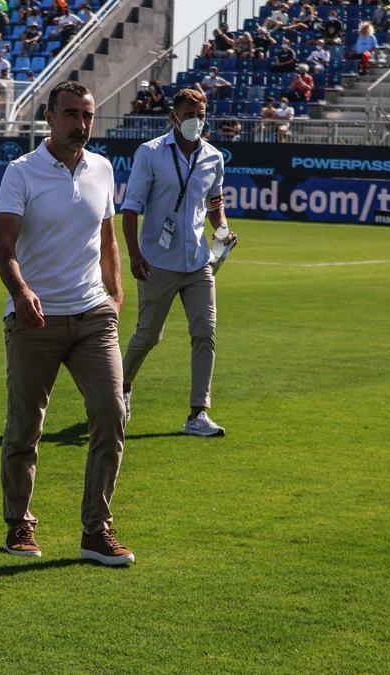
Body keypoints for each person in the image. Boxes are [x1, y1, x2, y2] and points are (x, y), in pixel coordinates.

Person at [0, 81, 133, 566]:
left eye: (88, 115)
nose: (81, 124)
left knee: (112, 415)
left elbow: (108, 238)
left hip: (93, 315)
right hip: (36, 320)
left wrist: (115, 294)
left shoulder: (104, 168)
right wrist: (22, 291)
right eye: (71, 114)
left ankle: (96, 531)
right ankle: (19, 523)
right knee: (25, 428)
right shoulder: (21, 172)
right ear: (48, 117)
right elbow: (4, 249)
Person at [119, 87, 232, 438]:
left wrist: (224, 230)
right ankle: (120, 388)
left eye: (200, 115)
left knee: (205, 332)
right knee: (148, 335)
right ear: (173, 116)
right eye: (188, 115)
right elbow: (130, 207)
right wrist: (135, 255)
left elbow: (214, 203)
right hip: (158, 261)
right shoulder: (149, 153)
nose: (195, 121)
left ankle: (198, 413)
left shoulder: (214, 157)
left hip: (198, 262)